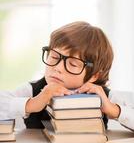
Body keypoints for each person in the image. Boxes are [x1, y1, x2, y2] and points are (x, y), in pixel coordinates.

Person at [0, 21, 134, 130]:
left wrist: (113, 110)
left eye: (73, 64)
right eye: (53, 57)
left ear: (94, 75)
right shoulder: (33, 90)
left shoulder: (104, 96)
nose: (57, 68)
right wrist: (32, 104)